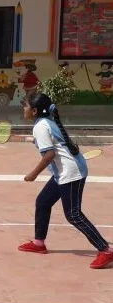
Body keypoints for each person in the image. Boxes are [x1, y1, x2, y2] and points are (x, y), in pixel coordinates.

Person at [19, 93, 113, 269]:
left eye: (26, 106)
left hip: (70, 173)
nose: (23, 109)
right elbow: (54, 142)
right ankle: (39, 243)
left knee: (73, 215)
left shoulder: (40, 126)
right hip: (65, 172)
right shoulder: (47, 122)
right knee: (43, 202)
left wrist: (33, 174)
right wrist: (31, 139)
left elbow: (49, 154)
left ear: (34, 111)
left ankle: (106, 249)